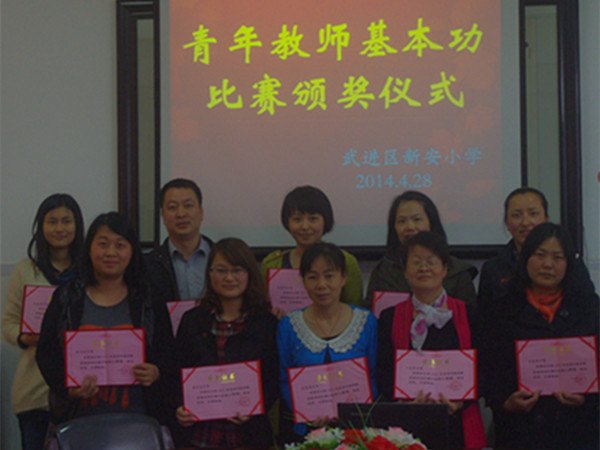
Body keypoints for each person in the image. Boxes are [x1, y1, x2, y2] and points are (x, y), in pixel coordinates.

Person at [36, 212, 175, 428]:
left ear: (132, 251)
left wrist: (156, 372)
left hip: (139, 420)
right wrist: (67, 387)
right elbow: (46, 353)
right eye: (103, 244)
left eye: (120, 245)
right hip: (78, 421)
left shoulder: (148, 298)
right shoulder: (67, 297)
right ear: (89, 248)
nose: (111, 252)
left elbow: (169, 352)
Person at [479, 223, 599, 449]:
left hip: (578, 430)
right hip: (520, 430)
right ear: (525, 258)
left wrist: (587, 400)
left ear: (569, 263)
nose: (547, 264)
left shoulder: (589, 308)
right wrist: (504, 401)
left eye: (557, 257)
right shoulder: (502, 307)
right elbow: (486, 364)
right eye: (540, 255)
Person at [377, 231, 486, 449]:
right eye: (416, 262)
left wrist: (461, 402)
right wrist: (405, 402)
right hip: (407, 429)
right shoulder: (389, 317)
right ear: (405, 271)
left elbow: (485, 369)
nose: (424, 268)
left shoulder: (469, 314)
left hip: (457, 426)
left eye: (431, 261)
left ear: (445, 269)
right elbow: (383, 373)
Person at [175, 238, 279, 449]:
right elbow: (175, 371)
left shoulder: (266, 323)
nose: (229, 278)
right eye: (221, 270)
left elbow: (273, 378)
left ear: (249, 274)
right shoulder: (192, 320)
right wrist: (178, 408)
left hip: (249, 437)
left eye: (237, 270)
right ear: (209, 274)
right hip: (199, 437)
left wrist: (256, 407)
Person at [2, 194, 84, 450]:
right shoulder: (25, 270)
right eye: (52, 221)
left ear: (77, 225)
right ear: (41, 226)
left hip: (81, 389)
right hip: (34, 390)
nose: (60, 228)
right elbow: (8, 322)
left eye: (66, 221)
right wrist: (24, 337)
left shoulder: (89, 271)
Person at [277, 242, 377, 441]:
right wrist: (308, 413)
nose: (321, 285)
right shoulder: (288, 325)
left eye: (329, 276)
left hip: (357, 432)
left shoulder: (366, 322)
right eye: (312, 277)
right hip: (306, 433)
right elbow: (283, 378)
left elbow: (374, 376)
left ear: (343, 278)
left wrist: (355, 414)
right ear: (303, 281)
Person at [478, 187, 596, 307]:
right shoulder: (493, 268)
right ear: (507, 223)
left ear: (546, 219)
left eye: (533, 214)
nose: (525, 222)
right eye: (516, 215)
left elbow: (588, 307)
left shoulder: (570, 261)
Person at [366, 191, 477, 307]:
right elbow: (371, 313)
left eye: (417, 219)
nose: (410, 227)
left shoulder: (458, 272)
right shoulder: (383, 271)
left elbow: (469, 316)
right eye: (402, 221)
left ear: (431, 223)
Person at [261, 186, 363, 307]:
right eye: (297, 219)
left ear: (325, 221)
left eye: (313, 219)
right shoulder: (272, 264)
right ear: (287, 222)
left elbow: (356, 309)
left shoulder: (346, 262)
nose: (305, 226)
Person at [146, 178, 213, 304]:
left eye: (188, 206)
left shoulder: (221, 257)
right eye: (172, 207)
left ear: (201, 212)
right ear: (163, 216)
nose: (181, 214)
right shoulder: (149, 265)